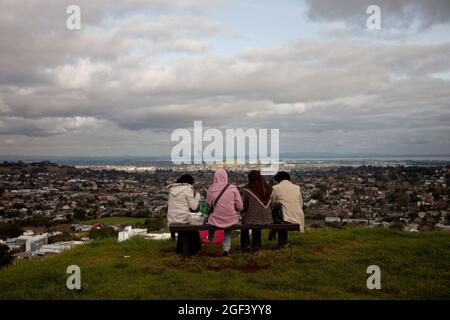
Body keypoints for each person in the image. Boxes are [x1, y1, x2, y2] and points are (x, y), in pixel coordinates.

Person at [206, 169, 243, 256]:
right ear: (226, 177)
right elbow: (240, 206)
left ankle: (210, 240)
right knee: (228, 229)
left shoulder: (211, 189)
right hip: (230, 218)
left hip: (215, 219)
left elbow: (209, 204)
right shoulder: (233, 188)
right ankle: (226, 249)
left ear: (215, 177)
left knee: (210, 219)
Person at [167, 174, 202, 255]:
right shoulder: (188, 189)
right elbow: (194, 207)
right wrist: (197, 196)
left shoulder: (172, 189)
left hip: (172, 219)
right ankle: (193, 250)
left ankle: (180, 249)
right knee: (194, 225)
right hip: (182, 219)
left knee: (184, 229)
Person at [240, 170, 273, 252]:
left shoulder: (247, 190)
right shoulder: (269, 189)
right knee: (255, 219)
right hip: (267, 218)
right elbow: (272, 205)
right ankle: (256, 245)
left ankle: (246, 245)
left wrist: (243, 212)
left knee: (245, 222)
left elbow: (245, 206)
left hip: (253, 219)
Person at [271, 171, 305, 248]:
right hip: (297, 216)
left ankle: (281, 242)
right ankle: (284, 242)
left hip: (283, 218)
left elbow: (272, 204)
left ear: (278, 180)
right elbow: (301, 203)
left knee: (280, 214)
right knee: (282, 215)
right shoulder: (297, 187)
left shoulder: (275, 188)